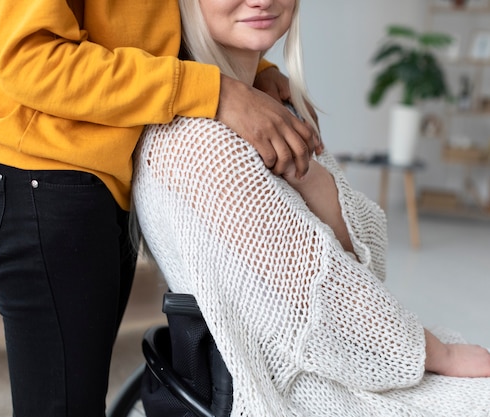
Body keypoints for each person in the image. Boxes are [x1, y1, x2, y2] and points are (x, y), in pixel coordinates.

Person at [0, 0, 321, 416]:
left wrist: (254, 74)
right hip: (38, 174)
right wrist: (218, 91)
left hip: (104, 179)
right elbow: (31, 60)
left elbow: (154, 23)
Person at [131, 0, 490, 415]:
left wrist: (308, 175)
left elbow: (369, 258)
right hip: (293, 392)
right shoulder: (203, 143)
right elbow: (329, 303)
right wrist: (439, 354)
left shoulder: (270, 112)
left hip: (331, 368)